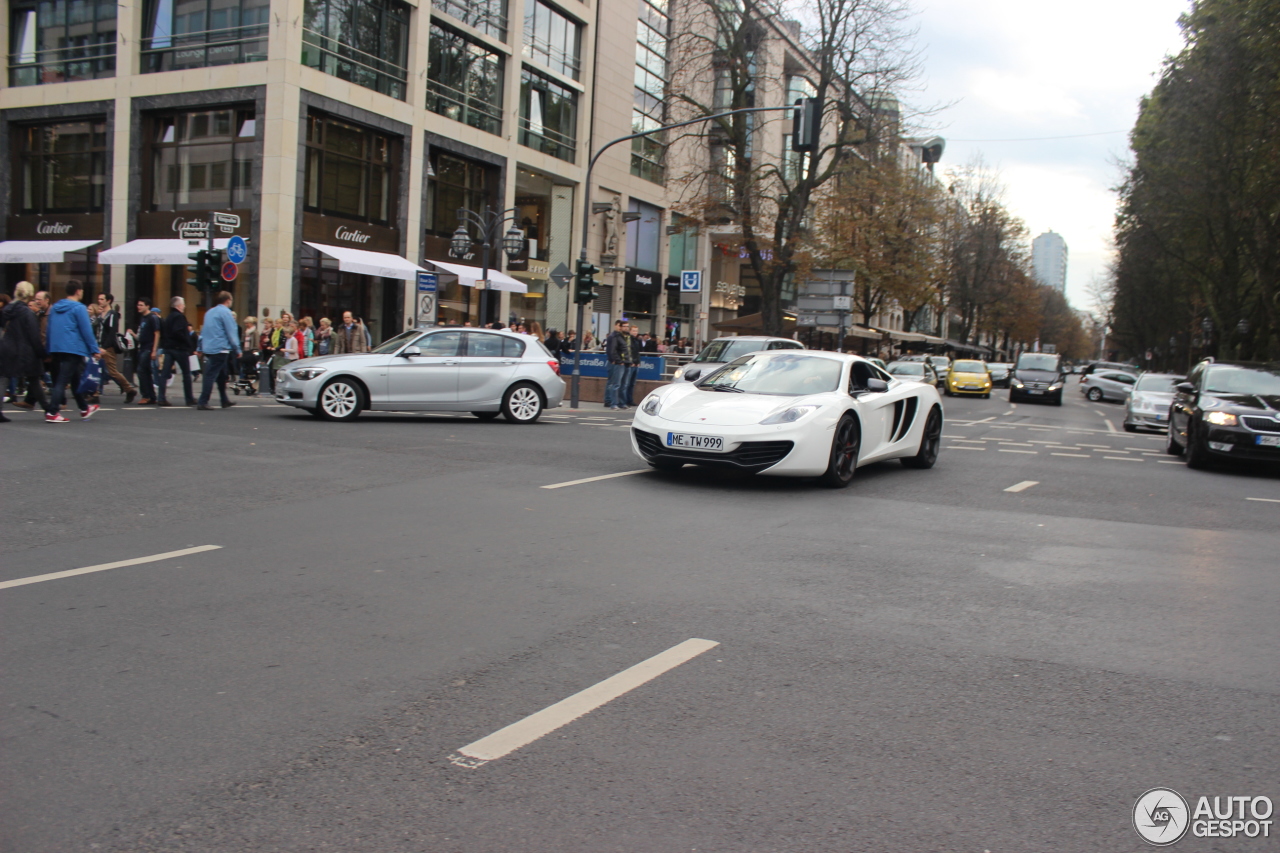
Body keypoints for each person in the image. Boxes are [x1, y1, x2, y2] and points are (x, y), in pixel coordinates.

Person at [44, 281, 102, 423]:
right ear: (78, 291)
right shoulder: (79, 308)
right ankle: (52, 412)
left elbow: (49, 328)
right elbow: (86, 330)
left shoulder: (56, 307)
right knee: (62, 380)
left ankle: (84, 408)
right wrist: (94, 349)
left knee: (75, 378)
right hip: (73, 347)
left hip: (56, 347)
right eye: (81, 290)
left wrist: (49, 349)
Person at [0, 282, 47, 422]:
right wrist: (42, 353)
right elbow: (34, 336)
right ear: (29, 295)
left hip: (6, 347)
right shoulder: (27, 313)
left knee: (3, 378)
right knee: (33, 378)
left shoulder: (7, 309)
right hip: (24, 350)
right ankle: (49, 409)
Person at [195, 291, 240, 410]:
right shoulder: (226, 313)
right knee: (211, 375)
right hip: (221, 348)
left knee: (222, 375)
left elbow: (204, 331)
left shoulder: (209, 312)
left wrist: (199, 347)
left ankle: (224, 400)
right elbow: (231, 332)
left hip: (209, 347)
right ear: (228, 300)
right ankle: (203, 401)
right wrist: (237, 349)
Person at [93, 292, 138, 403]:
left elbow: (112, 332)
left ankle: (129, 389)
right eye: (99, 299)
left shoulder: (112, 314)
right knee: (94, 369)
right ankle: (94, 394)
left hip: (107, 347)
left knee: (112, 372)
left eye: (102, 299)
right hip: (98, 346)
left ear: (108, 301)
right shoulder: (100, 315)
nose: (99, 301)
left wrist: (105, 347)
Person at [157, 296, 195, 407]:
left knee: (164, 374)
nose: (184, 306)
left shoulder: (169, 317)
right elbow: (178, 332)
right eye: (183, 304)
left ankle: (161, 397)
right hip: (179, 349)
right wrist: (187, 342)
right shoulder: (180, 317)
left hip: (168, 348)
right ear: (178, 306)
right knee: (186, 374)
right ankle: (189, 398)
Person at [133, 298, 161, 404]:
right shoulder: (143, 318)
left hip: (148, 348)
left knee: (141, 371)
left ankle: (146, 395)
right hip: (143, 347)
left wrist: (154, 350)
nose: (139, 307)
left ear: (147, 306)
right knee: (146, 372)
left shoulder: (152, 318)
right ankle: (151, 396)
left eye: (141, 305)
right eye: (138, 305)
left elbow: (157, 333)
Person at [604, 320, 629, 409]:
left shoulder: (625, 336)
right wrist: (616, 360)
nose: (624, 328)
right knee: (614, 383)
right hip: (617, 362)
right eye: (621, 326)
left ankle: (619, 402)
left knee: (622, 384)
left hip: (624, 362)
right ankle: (611, 402)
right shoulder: (614, 336)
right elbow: (611, 350)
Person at [621, 324, 642, 407]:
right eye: (633, 331)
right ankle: (625, 400)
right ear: (630, 331)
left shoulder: (637, 340)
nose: (635, 332)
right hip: (631, 364)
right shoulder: (629, 340)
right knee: (627, 383)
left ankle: (630, 400)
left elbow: (637, 353)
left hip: (636, 364)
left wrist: (638, 361)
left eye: (636, 331)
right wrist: (631, 361)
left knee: (632, 384)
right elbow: (629, 352)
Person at [239, 316, 258, 384]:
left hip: (251, 350)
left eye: (247, 323)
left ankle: (250, 378)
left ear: (251, 323)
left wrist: (255, 350)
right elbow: (243, 341)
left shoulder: (255, 332)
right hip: (245, 350)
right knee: (243, 364)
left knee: (249, 365)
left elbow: (256, 342)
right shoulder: (246, 331)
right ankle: (243, 378)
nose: (246, 325)